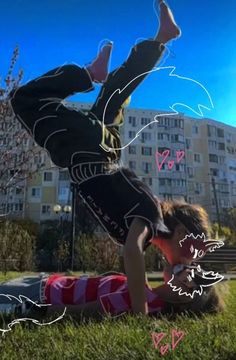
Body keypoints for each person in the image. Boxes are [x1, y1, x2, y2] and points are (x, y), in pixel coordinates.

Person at [9, 0, 208, 315]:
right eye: (197, 251)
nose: (196, 262)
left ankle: (159, 40)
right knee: (23, 99)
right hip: (88, 152)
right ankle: (89, 72)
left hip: (104, 149)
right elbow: (132, 251)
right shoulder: (150, 219)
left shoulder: (149, 220)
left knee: (115, 92)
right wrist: (140, 310)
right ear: (182, 234)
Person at [0, 268, 225, 320]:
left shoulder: (144, 300)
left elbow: (93, 310)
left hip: (44, 293)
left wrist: (37, 311)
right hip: (51, 283)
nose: (187, 272)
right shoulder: (145, 292)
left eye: (192, 281)